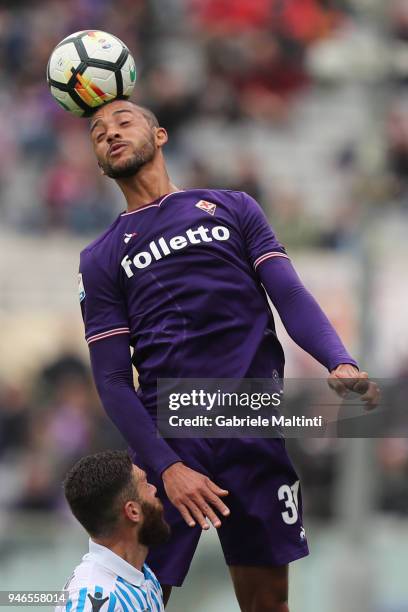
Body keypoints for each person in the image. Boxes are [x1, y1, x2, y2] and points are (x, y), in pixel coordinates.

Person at [79, 98, 379, 612]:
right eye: (98, 132)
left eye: (124, 122)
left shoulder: (233, 207)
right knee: (137, 601)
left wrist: (339, 359)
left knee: (267, 604)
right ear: (100, 161)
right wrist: (167, 466)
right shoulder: (102, 257)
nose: (110, 133)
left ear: (161, 135)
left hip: (252, 422)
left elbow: (289, 294)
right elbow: (111, 381)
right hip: (172, 433)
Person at [56, 450, 169, 612]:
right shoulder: (95, 598)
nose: (154, 489)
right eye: (146, 484)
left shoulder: (144, 575)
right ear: (133, 512)